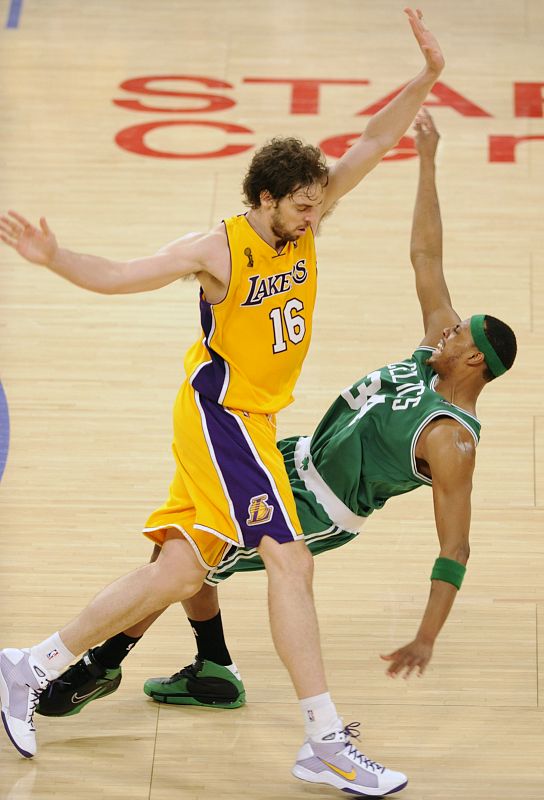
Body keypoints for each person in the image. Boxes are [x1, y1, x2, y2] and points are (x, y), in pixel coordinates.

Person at [0, 10, 441, 795]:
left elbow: (372, 141)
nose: (314, 217)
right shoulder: (217, 250)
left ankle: (28, 665)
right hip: (221, 417)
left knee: (178, 573)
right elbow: (123, 273)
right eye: (301, 207)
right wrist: (54, 256)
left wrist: (426, 77)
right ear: (266, 199)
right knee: (289, 560)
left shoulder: (303, 222)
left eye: (317, 205)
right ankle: (325, 741)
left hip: (256, 421)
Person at [35, 111, 518, 727]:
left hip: (323, 504)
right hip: (285, 446)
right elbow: (426, 252)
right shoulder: (435, 346)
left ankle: (103, 658)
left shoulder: (451, 438)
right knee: (188, 541)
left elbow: (457, 546)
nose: (447, 326)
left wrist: (426, 638)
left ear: (473, 359)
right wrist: (426, 156)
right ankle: (210, 668)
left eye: (459, 332)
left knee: (190, 558)